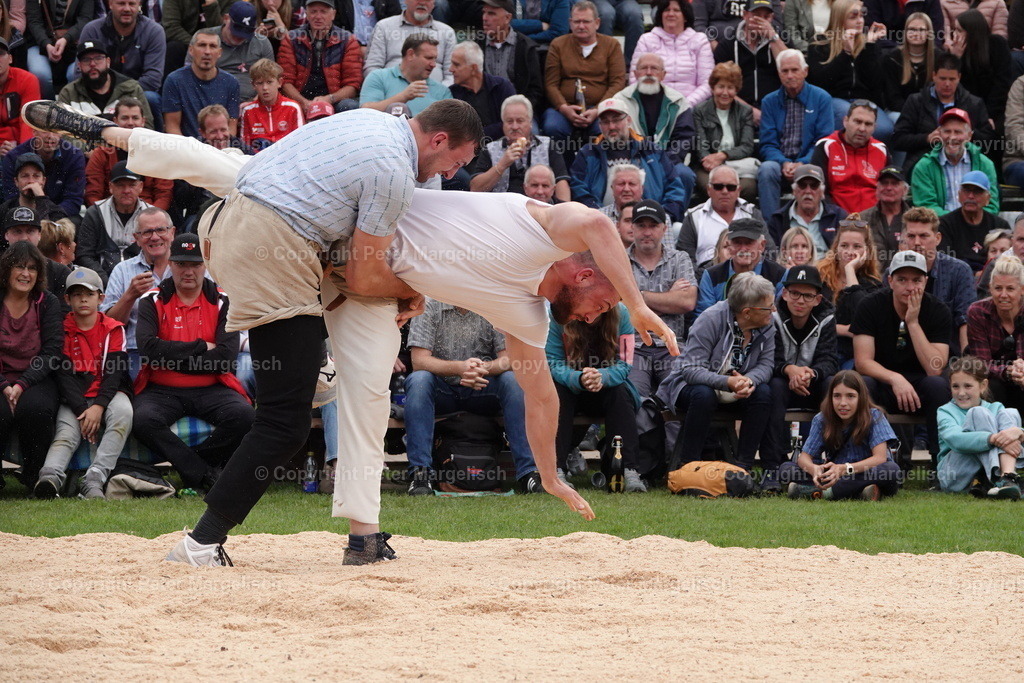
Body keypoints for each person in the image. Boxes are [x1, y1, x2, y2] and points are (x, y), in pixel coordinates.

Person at [28, 100, 674, 564]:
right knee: (238, 167)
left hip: (351, 266)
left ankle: (364, 533)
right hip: (341, 247)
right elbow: (594, 223)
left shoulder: (528, 315)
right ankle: (108, 128)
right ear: (590, 273)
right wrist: (638, 302)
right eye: (603, 300)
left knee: (365, 390)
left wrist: (553, 473)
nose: (598, 312)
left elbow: (541, 395)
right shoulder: (544, 226)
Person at [132, 233, 255, 493]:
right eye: (181, 264)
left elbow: (224, 359)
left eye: (195, 264)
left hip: (212, 387)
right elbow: (148, 350)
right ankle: (204, 474)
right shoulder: (151, 300)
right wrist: (200, 347)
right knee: (142, 419)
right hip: (161, 389)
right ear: (170, 265)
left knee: (244, 416)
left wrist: (171, 358)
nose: (188, 271)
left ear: (206, 266)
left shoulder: (223, 300)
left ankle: (193, 467)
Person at [404, 297, 539, 495]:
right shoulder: (429, 304)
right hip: (443, 391)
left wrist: (482, 368)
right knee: (418, 380)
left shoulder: (494, 303)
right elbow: (419, 361)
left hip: (482, 386)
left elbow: (508, 359)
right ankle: (420, 475)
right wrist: (459, 368)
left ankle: (529, 473)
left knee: (512, 380)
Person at [658, 271, 775, 473]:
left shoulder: (767, 323)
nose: (773, 310)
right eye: (768, 307)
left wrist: (748, 381)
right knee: (703, 394)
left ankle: (743, 468)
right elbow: (690, 370)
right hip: (690, 388)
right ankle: (688, 467)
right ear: (747, 312)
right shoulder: (710, 319)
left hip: (736, 390)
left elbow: (766, 365)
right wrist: (727, 382)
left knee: (763, 392)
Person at [34, 267, 133, 500]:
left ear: (101, 297)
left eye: (89, 294)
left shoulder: (113, 328)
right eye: (76, 294)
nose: (83, 299)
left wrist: (98, 407)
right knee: (66, 433)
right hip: (74, 398)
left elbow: (114, 373)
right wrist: (82, 409)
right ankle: (50, 478)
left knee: (123, 413)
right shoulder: (61, 329)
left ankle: (95, 477)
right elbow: (63, 376)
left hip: (107, 394)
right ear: (67, 299)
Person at [852, 249, 952, 456]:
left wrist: (913, 323)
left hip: (920, 384)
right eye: (902, 280)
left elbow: (934, 367)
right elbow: (862, 362)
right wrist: (895, 379)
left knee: (938, 385)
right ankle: (865, 461)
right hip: (882, 381)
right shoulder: (870, 305)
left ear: (925, 281)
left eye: (916, 280)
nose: (909, 287)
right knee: (863, 384)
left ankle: (940, 464)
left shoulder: (938, 310)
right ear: (890, 280)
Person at [626, 199, 695, 476]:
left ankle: (676, 465)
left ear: (664, 228)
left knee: (678, 395)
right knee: (634, 397)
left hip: (672, 345)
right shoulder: (618, 259)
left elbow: (688, 302)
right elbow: (614, 302)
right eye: (640, 225)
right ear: (631, 228)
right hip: (634, 346)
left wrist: (637, 297)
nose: (646, 231)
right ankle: (644, 465)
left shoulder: (680, 258)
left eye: (652, 226)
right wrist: (669, 296)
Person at [548, 302, 645, 490]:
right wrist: (578, 378)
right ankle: (555, 470)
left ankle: (629, 471)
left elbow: (625, 364)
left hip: (607, 387)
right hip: (571, 387)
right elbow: (553, 362)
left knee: (620, 392)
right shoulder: (558, 313)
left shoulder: (623, 313)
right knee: (557, 394)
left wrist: (603, 376)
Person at [762, 265, 838, 492]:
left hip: (812, 384)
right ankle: (772, 467)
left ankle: (830, 462)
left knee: (831, 385)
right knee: (771, 387)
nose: (800, 300)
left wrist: (809, 373)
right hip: (783, 383)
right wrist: (789, 370)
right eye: (794, 293)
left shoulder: (827, 316)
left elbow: (830, 359)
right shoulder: (772, 314)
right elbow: (767, 359)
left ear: (817, 299)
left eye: (808, 295)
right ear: (784, 294)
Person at [781, 370, 901, 500]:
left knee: (890, 470)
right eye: (837, 396)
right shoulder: (822, 419)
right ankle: (859, 493)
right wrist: (814, 469)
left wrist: (845, 469)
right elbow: (803, 458)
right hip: (834, 473)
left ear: (861, 397)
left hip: (863, 471)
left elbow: (880, 458)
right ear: (830, 397)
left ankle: (822, 492)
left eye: (850, 396)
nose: (843, 403)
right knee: (786, 469)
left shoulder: (875, 416)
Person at [0, 241, 62, 490]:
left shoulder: (47, 302)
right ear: (6, 270)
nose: (26, 274)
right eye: (20, 267)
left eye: (33, 268)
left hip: (36, 376)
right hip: (2, 377)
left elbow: (51, 351)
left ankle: (33, 474)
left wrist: (23, 383)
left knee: (36, 409)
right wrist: (4, 384)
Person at [569, 99, 691, 223]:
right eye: (605, 122)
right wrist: (599, 217)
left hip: (650, 222)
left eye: (616, 120)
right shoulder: (588, 153)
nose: (611, 127)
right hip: (602, 223)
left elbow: (675, 188)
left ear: (628, 120)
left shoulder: (651, 150)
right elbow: (579, 191)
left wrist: (663, 216)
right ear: (599, 126)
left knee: (677, 229)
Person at [757, 49, 835, 218]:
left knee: (817, 170)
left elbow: (823, 142)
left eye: (794, 70)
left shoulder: (822, 98)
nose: (790, 75)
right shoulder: (769, 101)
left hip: (810, 162)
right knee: (766, 169)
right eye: (785, 71)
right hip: (779, 164)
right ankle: (771, 229)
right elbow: (767, 143)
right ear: (779, 74)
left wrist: (802, 163)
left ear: (805, 71)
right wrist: (783, 162)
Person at [98, 206, 174, 377]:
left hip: (179, 348)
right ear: (136, 239)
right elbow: (107, 325)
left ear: (172, 233)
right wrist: (130, 296)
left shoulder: (189, 269)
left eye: (161, 230)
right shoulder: (122, 270)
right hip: (136, 352)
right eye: (147, 232)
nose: (155, 237)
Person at [891, 53, 994, 176]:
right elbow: (898, 140)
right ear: (934, 76)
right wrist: (927, 138)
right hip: (923, 162)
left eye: (952, 79)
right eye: (943, 78)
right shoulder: (916, 101)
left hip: (965, 164)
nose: (947, 84)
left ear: (959, 77)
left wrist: (967, 135)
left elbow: (989, 142)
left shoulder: (974, 103)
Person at [542, 1, 626, 146]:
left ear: (597, 23)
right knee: (552, 127)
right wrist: (564, 108)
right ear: (570, 23)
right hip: (564, 108)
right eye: (577, 21)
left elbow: (617, 82)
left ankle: (596, 167)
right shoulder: (558, 44)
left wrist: (598, 109)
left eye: (586, 21)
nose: (581, 26)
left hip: (600, 108)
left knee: (603, 128)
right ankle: (564, 168)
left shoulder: (611, 45)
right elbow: (550, 84)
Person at [937, 355, 1022, 498]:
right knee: (977, 413)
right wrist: (993, 439)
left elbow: (1013, 432)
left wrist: (1019, 433)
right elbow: (956, 440)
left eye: (968, 386)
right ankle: (997, 480)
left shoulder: (996, 407)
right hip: (955, 474)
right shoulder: (945, 411)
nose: (961, 393)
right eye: (955, 386)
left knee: (1011, 413)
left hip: (985, 473)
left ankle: (1008, 477)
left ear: (983, 386)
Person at [806, 0, 891, 142]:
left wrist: (869, 46)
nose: (860, 21)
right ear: (839, 19)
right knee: (853, 120)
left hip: (864, 101)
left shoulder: (868, 45)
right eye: (853, 17)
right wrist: (844, 53)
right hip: (834, 99)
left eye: (862, 16)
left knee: (885, 129)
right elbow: (821, 82)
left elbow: (875, 82)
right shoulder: (819, 43)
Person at [902, 206, 976, 353]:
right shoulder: (892, 273)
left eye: (923, 236)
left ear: (937, 238)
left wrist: (965, 365)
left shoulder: (959, 271)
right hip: (903, 352)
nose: (917, 242)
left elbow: (965, 320)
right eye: (911, 236)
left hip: (948, 354)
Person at [469, 94, 570, 201]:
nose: (515, 127)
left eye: (520, 121)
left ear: (530, 123)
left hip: (540, 209)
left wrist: (564, 211)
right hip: (503, 208)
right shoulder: (490, 149)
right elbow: (475, 189)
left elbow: (561, 181)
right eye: (509, 121)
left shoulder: (547, 145)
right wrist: (502, 165)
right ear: (503, 124)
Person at [79, 0, 166, 122]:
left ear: (139, 5)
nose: (127, 9)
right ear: (110, 4)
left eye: (132, 4)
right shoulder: (92, 29)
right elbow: (80, 72)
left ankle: (155, 138)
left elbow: (153, 79)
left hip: (138, 91)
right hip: (99, 90)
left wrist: (119, 96)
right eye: (121, 3)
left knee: (151, 98)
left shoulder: (154, 31)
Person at [613, 53, 696, 176]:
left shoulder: (678, 102)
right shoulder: (620, 100)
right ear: (635, 74)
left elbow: (683, 138)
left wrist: (664, 161)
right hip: (631, 162)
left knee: (685, 175)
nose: (649, 73)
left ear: (663, 75)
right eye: (643, 68)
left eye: (654, 68)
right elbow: (616, 137)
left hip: (668, 162)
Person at [278, 0, 363, 116]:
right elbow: (285, 81)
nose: (318, 17)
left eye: (323, 12)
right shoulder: (291, 39)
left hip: (334, 99)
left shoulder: (348, 40)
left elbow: (353, 85)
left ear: (333, 14)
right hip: (300, 98)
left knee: (349, 106)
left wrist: (329, 99)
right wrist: (304, 102)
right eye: (313, 12)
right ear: (306, 13)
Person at [818, 217, 883, 368]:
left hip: (854, 355)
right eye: (844, 246)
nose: (850, 252)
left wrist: (850, 271)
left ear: (867, 251)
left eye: (857, 246)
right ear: (836, 248)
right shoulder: (820, 276)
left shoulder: (874, 285)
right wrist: (843, 330)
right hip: (821, 351)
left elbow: (865, 318)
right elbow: (808, 318)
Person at [84, 99, 172, 210]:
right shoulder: (101, 153)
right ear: (115, 121)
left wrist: (151, 218)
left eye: (135, 118)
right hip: (110, 212)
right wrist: (103, 216)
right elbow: (93, 193)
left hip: (149, 213)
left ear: (143, 121)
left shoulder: (158, 153)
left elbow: (164, 194)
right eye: (125, 118)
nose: (130, 123)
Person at [690, 61, 758, 203]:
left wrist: (723, 156)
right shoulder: (700, 111)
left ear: (736, 90)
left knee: (748, 188)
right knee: (714, 188)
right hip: (707, 166)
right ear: (713, 87)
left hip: (737, 164)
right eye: (721, 87)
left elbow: (746, 147)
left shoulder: (744, 111)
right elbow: (701, 146)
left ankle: (737, 223)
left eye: (730, 88)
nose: (725, 93)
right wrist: (712, 162)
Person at [910, 108, 999, 216]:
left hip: (977, 227)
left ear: (969, 136)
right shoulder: (924, 167)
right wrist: (955, 223)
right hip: (940, 228)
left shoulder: (985, 164)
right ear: (939, 134)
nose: (952, 137)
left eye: (958, 132)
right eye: (947, 131)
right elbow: (926, 207)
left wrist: (969, 223)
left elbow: (992, 206)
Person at [809, 100, 891, 215]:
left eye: (868, 124)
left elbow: (888, 190)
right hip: (836, 218)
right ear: (845, 121)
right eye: (857, 122)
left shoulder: (881, 149)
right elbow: (819, 191)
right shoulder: (826, 146)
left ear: (874, 127)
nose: (862, 129)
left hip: (874, 219)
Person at [75, 162, 151, 283]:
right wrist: (106, 282)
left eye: (132, 185)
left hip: (143, 281)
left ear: (140, 186)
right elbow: (84, 255)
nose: (126, 190)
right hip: (102, 281)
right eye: (120, 185)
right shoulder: (95, 213)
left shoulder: (152, 215)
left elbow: (158, 256)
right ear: (111, 187)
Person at [710, 0, 785, 121]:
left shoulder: (779, 38)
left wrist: (773, 37)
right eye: (756, 16)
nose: (761, 21)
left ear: (772, 18)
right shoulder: (728, 43)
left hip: (776, 109)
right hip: (737, 111)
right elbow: (717, 85)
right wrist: (748, 111)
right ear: (745, 15)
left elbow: (792, 69)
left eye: (766, 17)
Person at [966, 252, 1024, 409]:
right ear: (990, 288)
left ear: (1022, 290)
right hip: (994, 380)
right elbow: (981, 364)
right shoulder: (977, 311)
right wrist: (1007, 371)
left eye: (1010, 289)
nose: (1003, 295)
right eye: (998, 288)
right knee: (991, 387)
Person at [628, 0, 712, 105]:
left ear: (685, 17)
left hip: (691, 107)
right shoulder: (646, 40)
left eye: (676, 10)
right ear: (660, 15)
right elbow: (634, 78)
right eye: (666, 10)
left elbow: (707, 84)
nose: (671, 14)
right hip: (654, 105)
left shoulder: (699, 40)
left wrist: (685, 104)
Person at [695, 217, 785, 315]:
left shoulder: (779, 274)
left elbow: (781, 316)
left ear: (762, 246)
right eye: (737, 242)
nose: (743, 248)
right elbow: (704, 317)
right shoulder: (712, 276)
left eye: (749, 242)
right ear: (729, 246)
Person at [678, 164, 762, 269]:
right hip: (706, 277)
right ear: (709, 189)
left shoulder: (752, 214)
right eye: (718, 187)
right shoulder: (694, 217)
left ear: (738, 191)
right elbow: (685, 260)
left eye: (731, 187)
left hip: (749, 276)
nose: (725, 191)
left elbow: (766, 250)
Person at [162, 30, 241, 139]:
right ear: (191, 50)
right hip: (186, 149)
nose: (207, 51)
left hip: (219, 148)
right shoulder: (174, 81)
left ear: (219, 52)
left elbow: (231, 128)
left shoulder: (231, 83)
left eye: (212, 46)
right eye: (202, 45)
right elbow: (172, 127)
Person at [57, 41, 154, 128]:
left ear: (108, 62)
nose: (92, 64)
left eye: (98, 58)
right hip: (83, 147)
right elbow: (62, 132)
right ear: (79, 66)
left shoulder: (132, 89)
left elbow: (147, 127)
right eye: (86, 60)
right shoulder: (69, 93)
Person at [197, 2, 275, 104]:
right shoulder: (205, 39)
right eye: (236, 30)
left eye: (246, 32)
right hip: (212, 104)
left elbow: (271, 78)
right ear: (226, 18)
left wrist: (254, 103)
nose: (239, 37)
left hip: (252, 104)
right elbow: (191, 76)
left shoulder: (261, 42)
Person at [363, 0, 456, 85]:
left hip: (435, 97)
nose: (422, 3)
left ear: (433, 3)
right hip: (391, 95)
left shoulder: (447, 32)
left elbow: (451, 75)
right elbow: (372, 68)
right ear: (405, 1)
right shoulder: (384, 27)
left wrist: (438, 93)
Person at [476, 0, 543, 114]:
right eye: (484, 12)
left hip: (520, 113)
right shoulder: (476, 46)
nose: (484, 18)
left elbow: (535, 90)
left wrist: (521, 111)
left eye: (491, 14)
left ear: (507, 18)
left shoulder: (526, 48)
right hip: (485, 113)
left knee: (529, 130)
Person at [946, 8, 1011, 125]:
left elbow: (1002, 85)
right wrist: (957, 60)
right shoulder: (955, 52)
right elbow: (955, 89)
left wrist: (989, 115)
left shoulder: (997, 44)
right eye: (954, 29)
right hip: (966, 112)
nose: (954, 35)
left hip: (996, 111)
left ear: (972, 31)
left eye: (959, 30)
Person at [359, 33, 451, 116]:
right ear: (410, 54)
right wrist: (403, 97)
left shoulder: (442, 91)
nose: (433, 64)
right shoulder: (379, 77)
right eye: (428, 58)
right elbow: (365, 112)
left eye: (435, 59)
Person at [766, 164, 847, 256]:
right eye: (802, 185)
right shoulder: (778, 219)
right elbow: (772, 257)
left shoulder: (838, 217)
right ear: (794, 191)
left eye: (814, 185)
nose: (808, 191)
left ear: (822, 192)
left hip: (828, 269)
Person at [1, 131, 85, 220]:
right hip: (22, 215)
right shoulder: (13, 157)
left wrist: (49, 217)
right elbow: (11, 198)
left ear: (61, 133)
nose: (50, 136)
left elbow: (73, 200)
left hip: (59, 217)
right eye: (44, 131)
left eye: (55, 131)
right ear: (34, 131)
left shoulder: (74, 156)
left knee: (75, 222)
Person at [937, 171, 1010, 272]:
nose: (971, 196)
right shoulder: (945, 224)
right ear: (959, 195)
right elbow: (944, 263)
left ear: (988, 198)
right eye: (966, 191)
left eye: (977, 191)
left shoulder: (1000, 225)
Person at [25, 0, 94, 100]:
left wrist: (66, 38)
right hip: (39, 42)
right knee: (40, 74)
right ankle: (48, 106)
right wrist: (46, 44)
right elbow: (34, 21)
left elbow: (85, 19)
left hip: (74, 44)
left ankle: (72, 108)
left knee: (75, 74)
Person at [3, 206, 72, 304]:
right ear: (6, 235)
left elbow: (64, 312)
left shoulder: (59, 272)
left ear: (39, 235)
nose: (24, 238)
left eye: (30, 231)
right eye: (17, 231)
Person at [880, 12, 938, 126]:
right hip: (898, 111)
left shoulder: (939, 58)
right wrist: (913, 114)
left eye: (921, 30)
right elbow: (892, 98)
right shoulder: (892, 58)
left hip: (929, 111)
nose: (916, 33)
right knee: (903, 123)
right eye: (912, 29)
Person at [448, 41, 515, 139]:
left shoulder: (501, 87)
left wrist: (477, 135)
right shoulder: (452, 94)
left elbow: (511, 122)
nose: (450, 69)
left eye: (456, 65)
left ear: (473, 68)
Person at [239, 58, 304, 151]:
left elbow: (300, 143)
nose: (265, 88)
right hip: (258, 160)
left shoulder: (292, 108)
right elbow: (245, 146)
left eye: (269, 82)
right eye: (260, 83)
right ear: (253, 85)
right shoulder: (248, 111)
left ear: (279, 82)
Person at [860, 166, 911, 271]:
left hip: (904, 278)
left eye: (894, 184)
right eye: (884, 183)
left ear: (905, 190)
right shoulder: (862, 219)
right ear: (877, 188)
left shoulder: (914, 219)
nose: (888, 187)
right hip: (871, 280)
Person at [161, 0, 230, 75]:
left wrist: (211, 6)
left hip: (217, 45)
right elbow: (171, 27)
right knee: (173, 48)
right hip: (185, 42)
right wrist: (197, 45)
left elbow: (223, 31)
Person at [0, 37, 40, 153]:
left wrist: (23, 152)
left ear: (10, 58)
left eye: (1, 54)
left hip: (19, 145)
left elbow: (28, 122)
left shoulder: (27, 80)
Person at [0, 153, 66, 223]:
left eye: (36, 176)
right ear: (16, 181)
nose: (31, 181)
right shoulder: (4, 210)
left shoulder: (56, 212)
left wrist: (41, 199)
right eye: (25, 176)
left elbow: (49, 232)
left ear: (43, 181)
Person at [693, 0, 782, 51]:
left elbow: (777, 23)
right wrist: (712, 42)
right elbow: (698, 24)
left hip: (760, 44)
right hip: (717, 44)